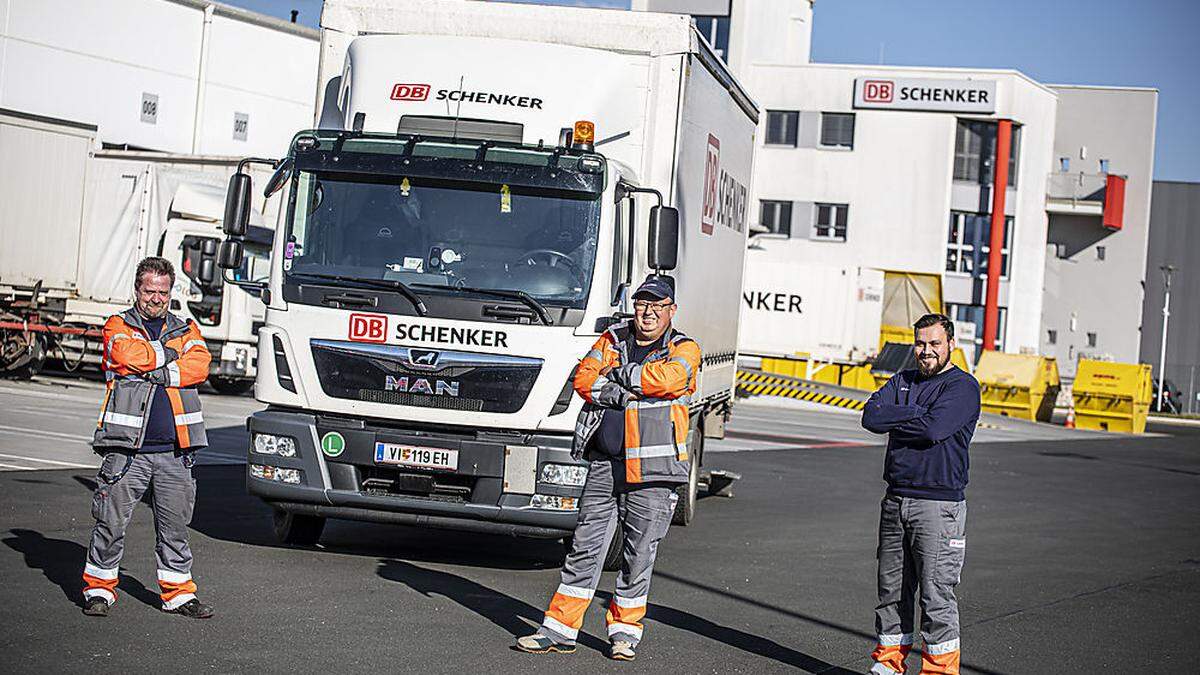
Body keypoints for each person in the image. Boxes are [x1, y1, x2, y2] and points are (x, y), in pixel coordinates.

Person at [516, 275, 701, 661]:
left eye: (657, 305)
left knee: (638, 554)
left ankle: (624, 633)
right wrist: (622, 389)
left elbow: (674, 379)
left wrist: (621, 375)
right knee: (584, 547)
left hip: (653, 470)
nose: (648, 312)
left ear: (671, 310)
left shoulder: (684, 347)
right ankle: (559, 628)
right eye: (642, 304)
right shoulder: (614, 339)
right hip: (605, 462)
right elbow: (584, 377)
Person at [81, 256, 214, 619]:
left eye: (163, 292)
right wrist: (172, 355)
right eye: (149, 291)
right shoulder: (118, 325)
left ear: (171, 292)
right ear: (137, 290)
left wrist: (161, 371)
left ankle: (178, 594)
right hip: (127, 450)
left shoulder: (186, 326)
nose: (156, 298)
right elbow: (126, 354)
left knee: (175, 528)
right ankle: (98, 589)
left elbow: (201, 365)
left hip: (176, 451)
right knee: (110, 523)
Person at [861, 314, 981, 674]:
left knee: (936, 594)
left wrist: (898, 416)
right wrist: (915, 412)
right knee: (892, 591)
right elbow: (870, 416)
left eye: (934, 344)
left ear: (950, 345)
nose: (926, 351)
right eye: (921, 343)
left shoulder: (962, 387)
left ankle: (939, 671)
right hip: (895, 499)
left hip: (938, 506)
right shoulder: (903, 379)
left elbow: (934, 429)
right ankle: (888, 664)